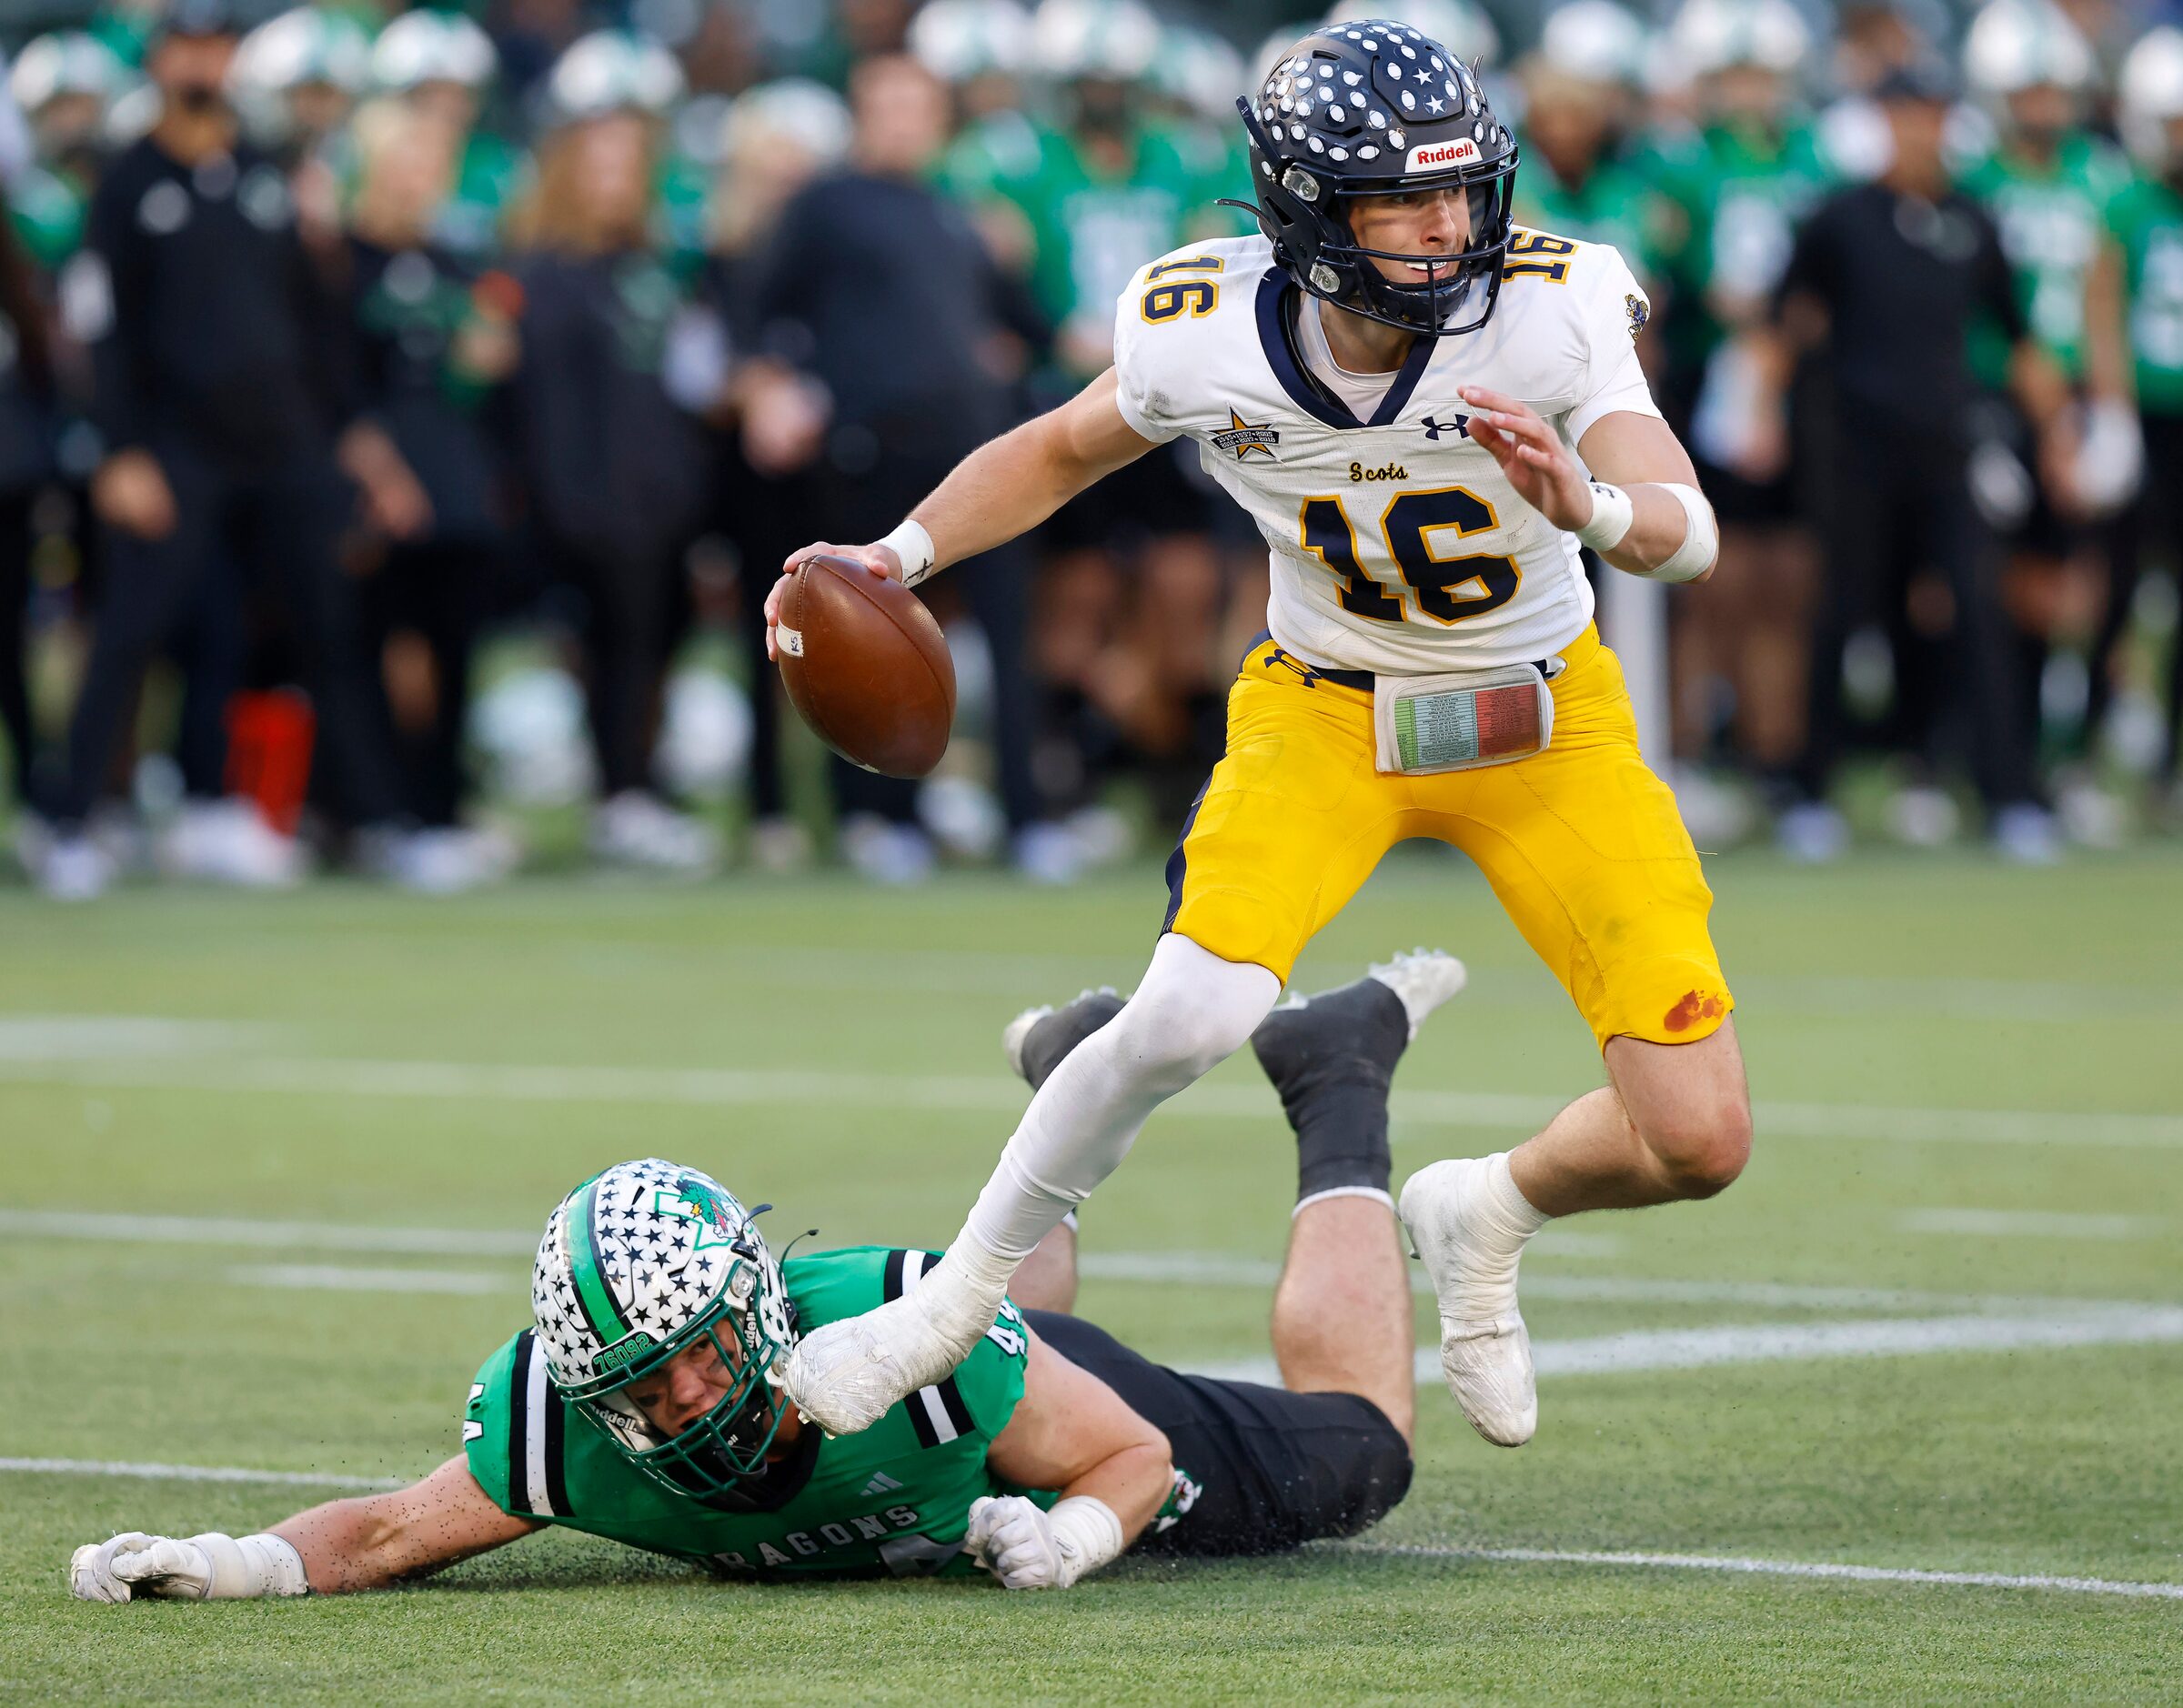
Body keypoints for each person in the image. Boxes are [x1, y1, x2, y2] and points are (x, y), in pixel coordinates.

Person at [767, 18, 1748, 1455]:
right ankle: (950, 1304)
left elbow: (1690, 530)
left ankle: (1486, 1209)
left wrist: (1589, 509)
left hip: (1542, 719)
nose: (1447, 226)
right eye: (1402, 199)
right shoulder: (1201, 329)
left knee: (1698, 1139)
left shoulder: (1551, 306)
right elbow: (1055, 449)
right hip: (1326, 709)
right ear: (1307, 211)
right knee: (1186, 1013)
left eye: (1461, 187)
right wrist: (897, 557)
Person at [65, 949, 1455, 1598]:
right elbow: (378, 1533)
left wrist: (1077, 1534)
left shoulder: (890, 1340)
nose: (679, 1397)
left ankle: (1336, 1071)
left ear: (758, 1301)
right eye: (638, 1380)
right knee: (1008, 1361)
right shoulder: (570, 1430)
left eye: (696, 1349)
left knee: (1368, 1458)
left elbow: (1132, 1455)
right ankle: (1068, 1081)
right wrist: (232, 1560)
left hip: (1036, 1418)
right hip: (980, 1397)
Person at [36, 0, 437, 899]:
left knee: (329, 629)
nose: (203, 63)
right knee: (131, 633)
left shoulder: (264, 176)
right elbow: (100, 331)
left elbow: (311, 324)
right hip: (176, 444)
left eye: (218, 45)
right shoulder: (128, 183)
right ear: (160, 58)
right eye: (188, 45)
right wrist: (120, 450)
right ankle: (68, 824)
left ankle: (378, 822)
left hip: (283, 439)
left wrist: (350, 443)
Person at [739, 53, 1058, 882]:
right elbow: (752, 311)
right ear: (861, 114)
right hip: (870, 449)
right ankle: (878, 819)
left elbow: (1029, 325)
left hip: (977, 452)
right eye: (887, 106)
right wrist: (770, 388)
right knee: (865, 633)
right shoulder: (824, 204)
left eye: (918, 107)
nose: (903, 121)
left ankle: (1025, 817)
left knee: (1009, 631)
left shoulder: (961, 215)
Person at [1760, 55, 2080, 862]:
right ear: (1882, 123)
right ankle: (1810, 794)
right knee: (1842, 611)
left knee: (1976, 609)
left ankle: (2008, 795)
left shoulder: (1973, 218)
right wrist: (1765, 411)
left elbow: (2018, 336)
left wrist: (2063, 437)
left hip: (1948, 447)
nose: (1918, 129)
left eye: (1931, 113)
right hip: (1857, 447)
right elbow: (1785, 315)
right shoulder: (1842, 217)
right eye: (1905, 114)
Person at [510, 61, 719, 875]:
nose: (614, 183)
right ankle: (620, 794)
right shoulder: (547, 276)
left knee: (661, 641)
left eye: (627, 168)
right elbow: (546, 406)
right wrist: (567, 500)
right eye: (599, 166)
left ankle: (642, 786)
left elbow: (683, 381)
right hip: (591, 499)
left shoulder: (656, 272)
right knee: (611, 648)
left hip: (664, 493)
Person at [2102, 26, 2183, 819]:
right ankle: (2093, 750)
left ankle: (2167, 762)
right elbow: (2102, 311)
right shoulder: (2127, 205)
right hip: (2147, 417)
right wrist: (2114, 412)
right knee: (2118, 588)